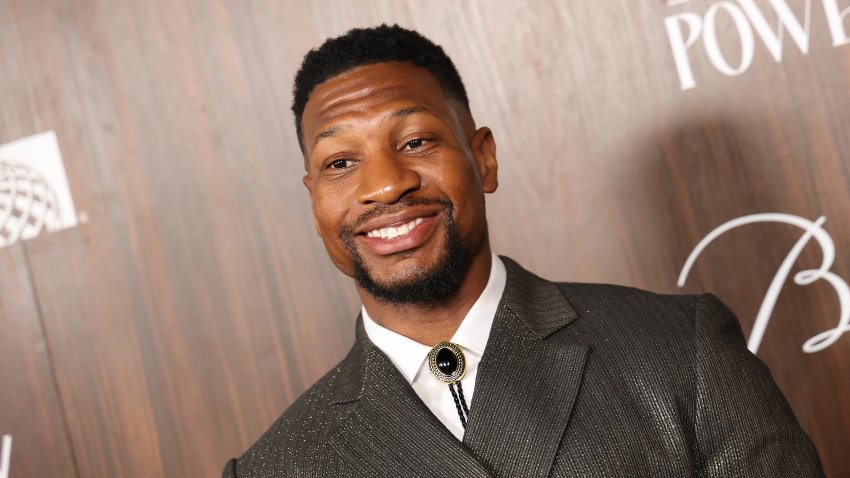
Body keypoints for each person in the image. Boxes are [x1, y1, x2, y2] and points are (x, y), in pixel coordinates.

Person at [222, 24, 823, 477]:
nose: (384, 184)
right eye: (341, 162)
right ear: (314, 200)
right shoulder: (274, 466)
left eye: (416, 140)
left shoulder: (679, 352)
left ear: (483, 157)